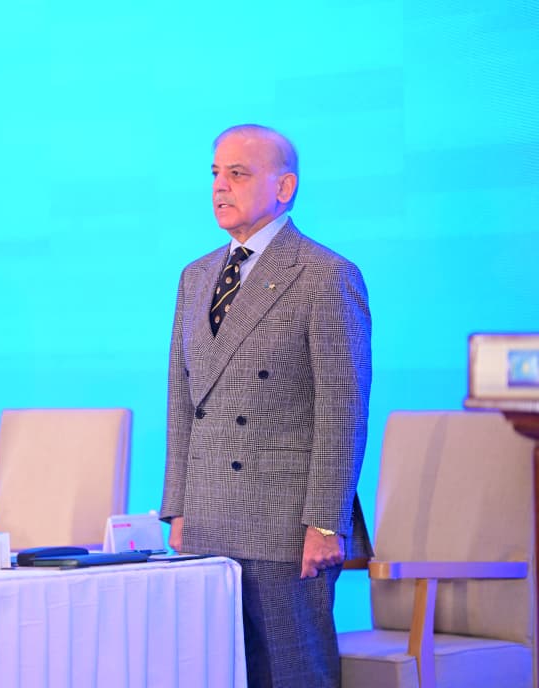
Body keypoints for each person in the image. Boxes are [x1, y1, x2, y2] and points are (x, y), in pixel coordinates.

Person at [160, 124, 372, 687]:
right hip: (207, 521)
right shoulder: (196, 276)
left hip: (285, 525)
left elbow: (342, 411)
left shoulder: (324, 274)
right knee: (215, 672)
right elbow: (182, 399)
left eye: (238, 173)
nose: (220, 187)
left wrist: (325, 523)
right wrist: (178, 507)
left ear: (284, 187)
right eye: (215, 173)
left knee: (292, 674)